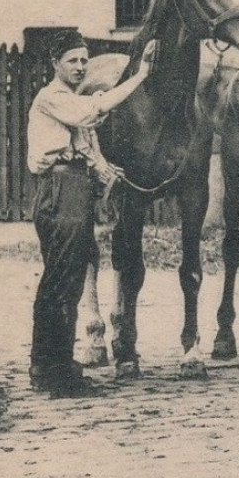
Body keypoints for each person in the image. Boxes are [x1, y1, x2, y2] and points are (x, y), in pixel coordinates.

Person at [25, 31, 157, 395]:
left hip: (76, 189)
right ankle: (49, 368)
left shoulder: (70, 100)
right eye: (72, 60)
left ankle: (55, 365)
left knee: (67, 282)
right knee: (59, 281)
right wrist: (141, 75)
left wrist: (104, 170)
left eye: (84, 60)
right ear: (55, 64)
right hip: (58, 189)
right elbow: (94, 109)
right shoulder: (53, 97)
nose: (81, 67)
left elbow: (87, 147)